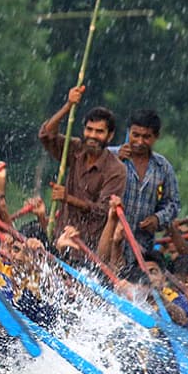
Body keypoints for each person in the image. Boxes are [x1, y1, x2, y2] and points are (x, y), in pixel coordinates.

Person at [38, 84, 126, 250]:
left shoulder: (116, 169)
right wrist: (68, 105)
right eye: (89, 130)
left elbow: (102, 211)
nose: (92, 136)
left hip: (88, 247)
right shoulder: (76, 149)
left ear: (110, 135)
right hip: (61, 238)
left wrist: (68, 198)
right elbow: (46, 135)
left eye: (99, 132)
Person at [109, 109, 181, 253]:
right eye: (135, 135)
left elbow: (173, 204)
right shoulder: (110, 156)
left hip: (143, 248)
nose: (139, 142)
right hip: (109, 242)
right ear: (129, 132)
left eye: (146, 137)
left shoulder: (163, 167)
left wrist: (158, 218)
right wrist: (116, 162)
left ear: (156, 137)